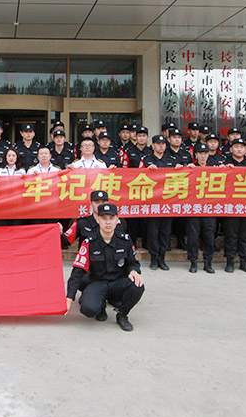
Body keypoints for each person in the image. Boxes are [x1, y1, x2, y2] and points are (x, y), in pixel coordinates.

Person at [65, 203, 145, 332]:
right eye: (104, 218)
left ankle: (122, 315)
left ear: (117, 220)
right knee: (88, 309)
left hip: (117, 282)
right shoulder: (89, 243)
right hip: (97, 282)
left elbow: (133, 262)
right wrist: (69, 297)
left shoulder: (125, 241)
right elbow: (77, 272)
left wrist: (134, 271)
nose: (108, 222)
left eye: (111, 218)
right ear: (98, 220)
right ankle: (99, 305)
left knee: (138, 285)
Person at [140, 135, 179, 270]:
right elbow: (137, 177)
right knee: (153, 232)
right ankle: (153, 257)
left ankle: (162, 257)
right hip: (152, 202)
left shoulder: (172, 160)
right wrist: (146, 170)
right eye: (158, 144)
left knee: (165, 232)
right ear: (153, 146)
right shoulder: (146, 160)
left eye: (163, 144)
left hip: (168, 202)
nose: (161, 146)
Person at [221, 138, 246, 273]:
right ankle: (230, 261)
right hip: (231, 206)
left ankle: (244, 261)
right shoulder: (225, 163)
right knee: (231, 235)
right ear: (231, 149)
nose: (239, 149)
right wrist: (222, 170)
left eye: (242, 147)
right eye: (236, 147)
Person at [186, 144, 218, 274]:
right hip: (194, 208)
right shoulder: (191, 168)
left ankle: (208, 262)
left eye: (205, 153)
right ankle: (193, 261)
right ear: (196, 155)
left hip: (209, 208)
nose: (203, 156)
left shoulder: (214, 168)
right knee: (193, 237)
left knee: (209, 237)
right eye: (200, 153)